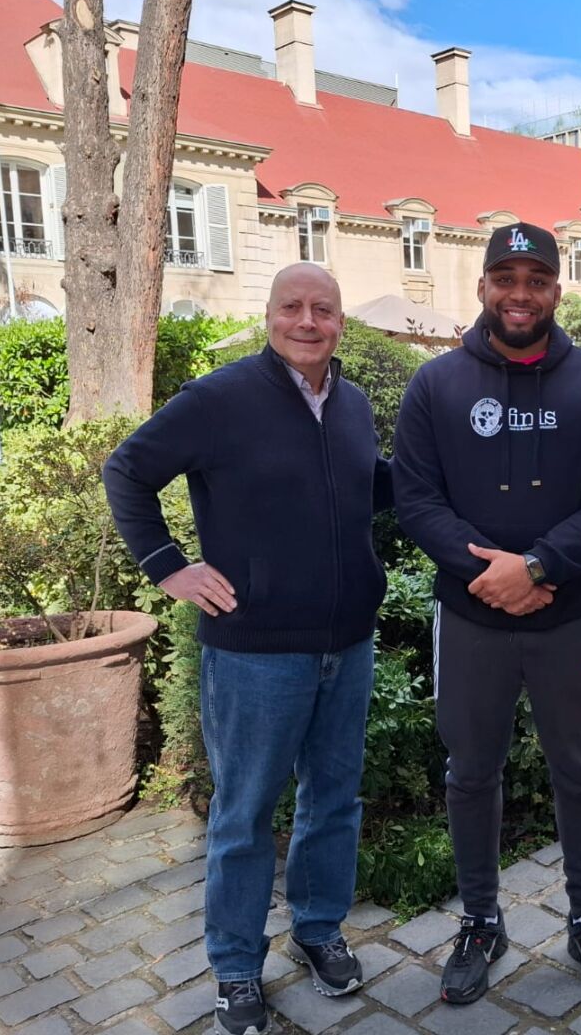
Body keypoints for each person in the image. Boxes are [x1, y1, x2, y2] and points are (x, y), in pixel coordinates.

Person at [103, 264, 392, 1035]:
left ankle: (318, 930)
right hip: (256, 653)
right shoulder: (220, 399)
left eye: (323, 309)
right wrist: (168, 567)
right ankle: (235, 967)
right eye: (292, 307)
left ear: (339, 321)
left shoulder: (354, 404)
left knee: (333, 803)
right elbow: (127, 470)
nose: (308, 321)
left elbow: (368, 487)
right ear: (269, 315)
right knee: (244, 814)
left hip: (347, 645)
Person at [393, 222, 581, 1005]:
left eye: (536, 278)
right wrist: (491, 577)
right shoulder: (435, 385)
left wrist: (535, 568)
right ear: (482, 288)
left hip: (570, 620)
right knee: (471, 773)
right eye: (507, 277)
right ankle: (480, 919)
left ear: (557, 292)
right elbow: (415, 500)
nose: (521, 293)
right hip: (472, 620)